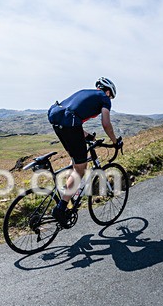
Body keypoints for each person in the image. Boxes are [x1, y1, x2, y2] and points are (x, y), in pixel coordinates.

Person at [47, 77, 123, 227]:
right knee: (81, 169)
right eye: (111, 96)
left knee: (76, 160)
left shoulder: (85, 93)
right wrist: (115, 141)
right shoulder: (104, 98)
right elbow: (106, 124)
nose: (110, 98)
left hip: (56, 117)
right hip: (69, 124)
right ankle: (61, 208)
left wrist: (88, 136)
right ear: (108, 91)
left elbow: (71, 116)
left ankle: (67, 193)